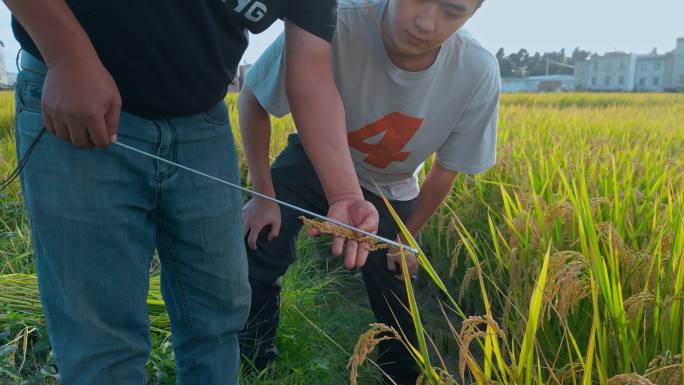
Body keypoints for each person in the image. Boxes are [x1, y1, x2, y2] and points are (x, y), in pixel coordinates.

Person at [5, 0, 379, 383]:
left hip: (202, 119)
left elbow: (311, 71)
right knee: (103, 343)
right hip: (82, 104)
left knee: (219, 317)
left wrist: (345, 194)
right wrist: (66, 54)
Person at [238, 0, 500, 383]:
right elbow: (254, 98)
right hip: (314, 162)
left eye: (452, 10)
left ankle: (403, 376)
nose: (426, 23)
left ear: (473, 14)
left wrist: (407, 235)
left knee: (400, 286)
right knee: (259, 240)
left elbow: (448, 168)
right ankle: (252, 362)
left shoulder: (477, 71)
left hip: (392, 185)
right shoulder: (329, 20)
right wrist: (262, 195)